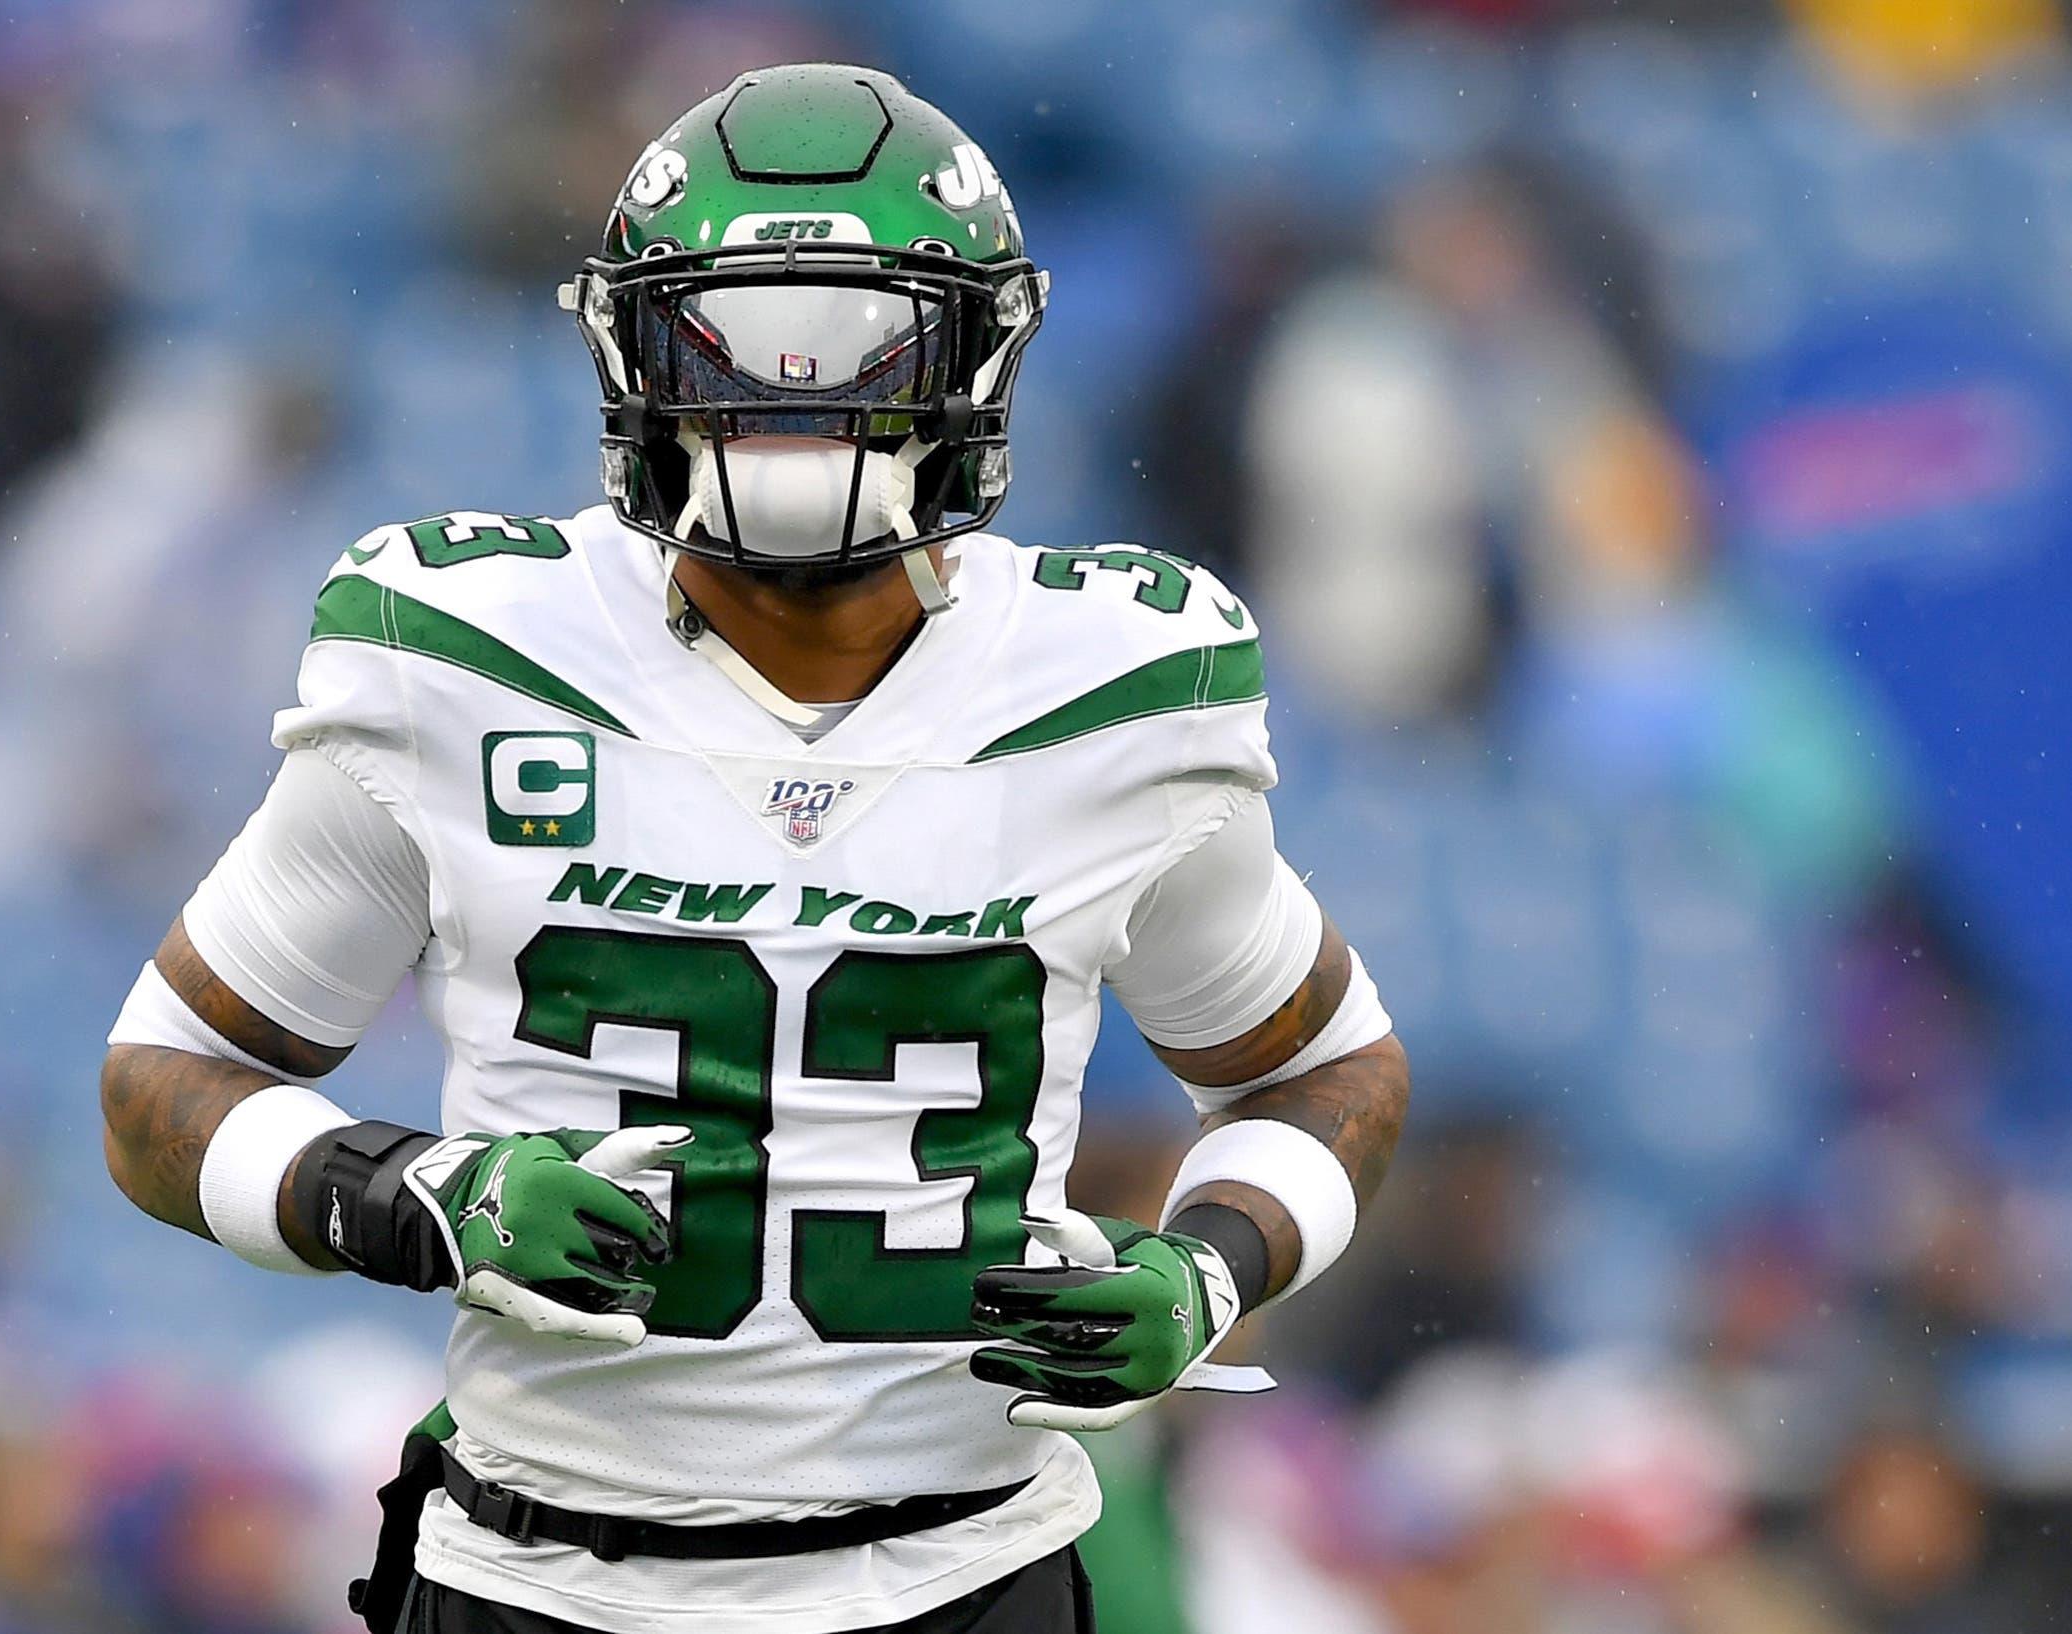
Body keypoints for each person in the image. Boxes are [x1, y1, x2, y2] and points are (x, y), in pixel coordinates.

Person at [100, 63, 1408, 1634]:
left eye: (857, 349)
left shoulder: (1114, 687)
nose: (792, 406)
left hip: (964, 1571)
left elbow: (1324, 1070)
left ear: (970, 358)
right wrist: (407, 1192)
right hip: (537, 1575)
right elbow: (161, 1084)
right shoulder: (459, 651)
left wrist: (1205, 1267)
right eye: (735, 349)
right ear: (630, 355)